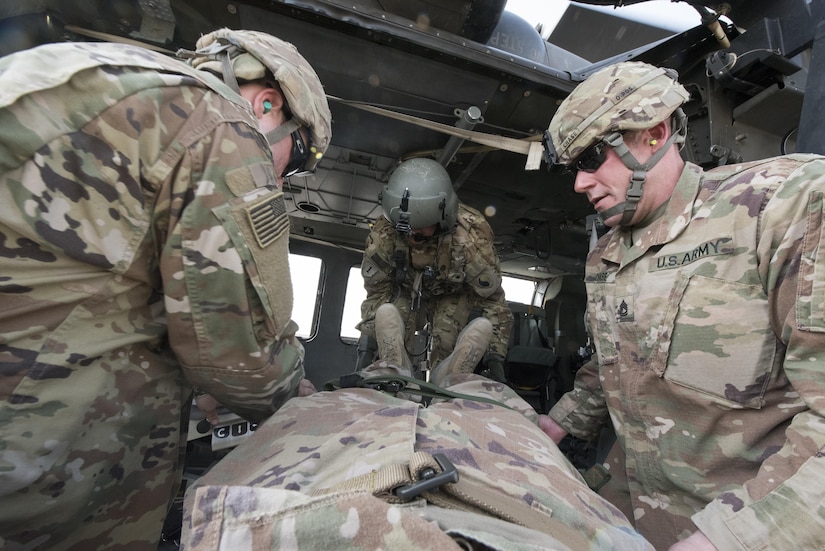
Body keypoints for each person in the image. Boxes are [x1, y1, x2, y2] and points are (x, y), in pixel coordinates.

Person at [0, 29, 330, 549]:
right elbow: (240, 360)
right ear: (269, 103)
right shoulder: (222, 123)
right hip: (35, 474)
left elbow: (96, 277)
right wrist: (299, 399)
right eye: (301, 155)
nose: (286, 177)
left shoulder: (106, 74)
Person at [540, 60, 825, 550]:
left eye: (589, 159)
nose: (579, 184)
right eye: (572, 169)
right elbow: (615, 363)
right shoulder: (606, 256)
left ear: (652, 134)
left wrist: (731, 538)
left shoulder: (782, 205)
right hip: (636, 513)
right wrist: (555, 425)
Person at [181, 301, 654, 550]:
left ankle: (391, 363)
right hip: (519, 492)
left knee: (363, 390)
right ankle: (461, 374)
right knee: (482, 399)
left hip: (313, 478)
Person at [357, 157, 513, 382]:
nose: (411, 236)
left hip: (452, 294)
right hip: (406, 287)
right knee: (390, 318)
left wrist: (495, 357)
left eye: (419, 231)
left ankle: (448, 379)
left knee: (445, 341)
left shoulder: (469, 240)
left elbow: (493, 301)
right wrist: (366, 347)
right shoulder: (385, 235)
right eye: (406, 229)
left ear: (443, 218)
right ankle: (395, 371)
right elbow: (377, 293)